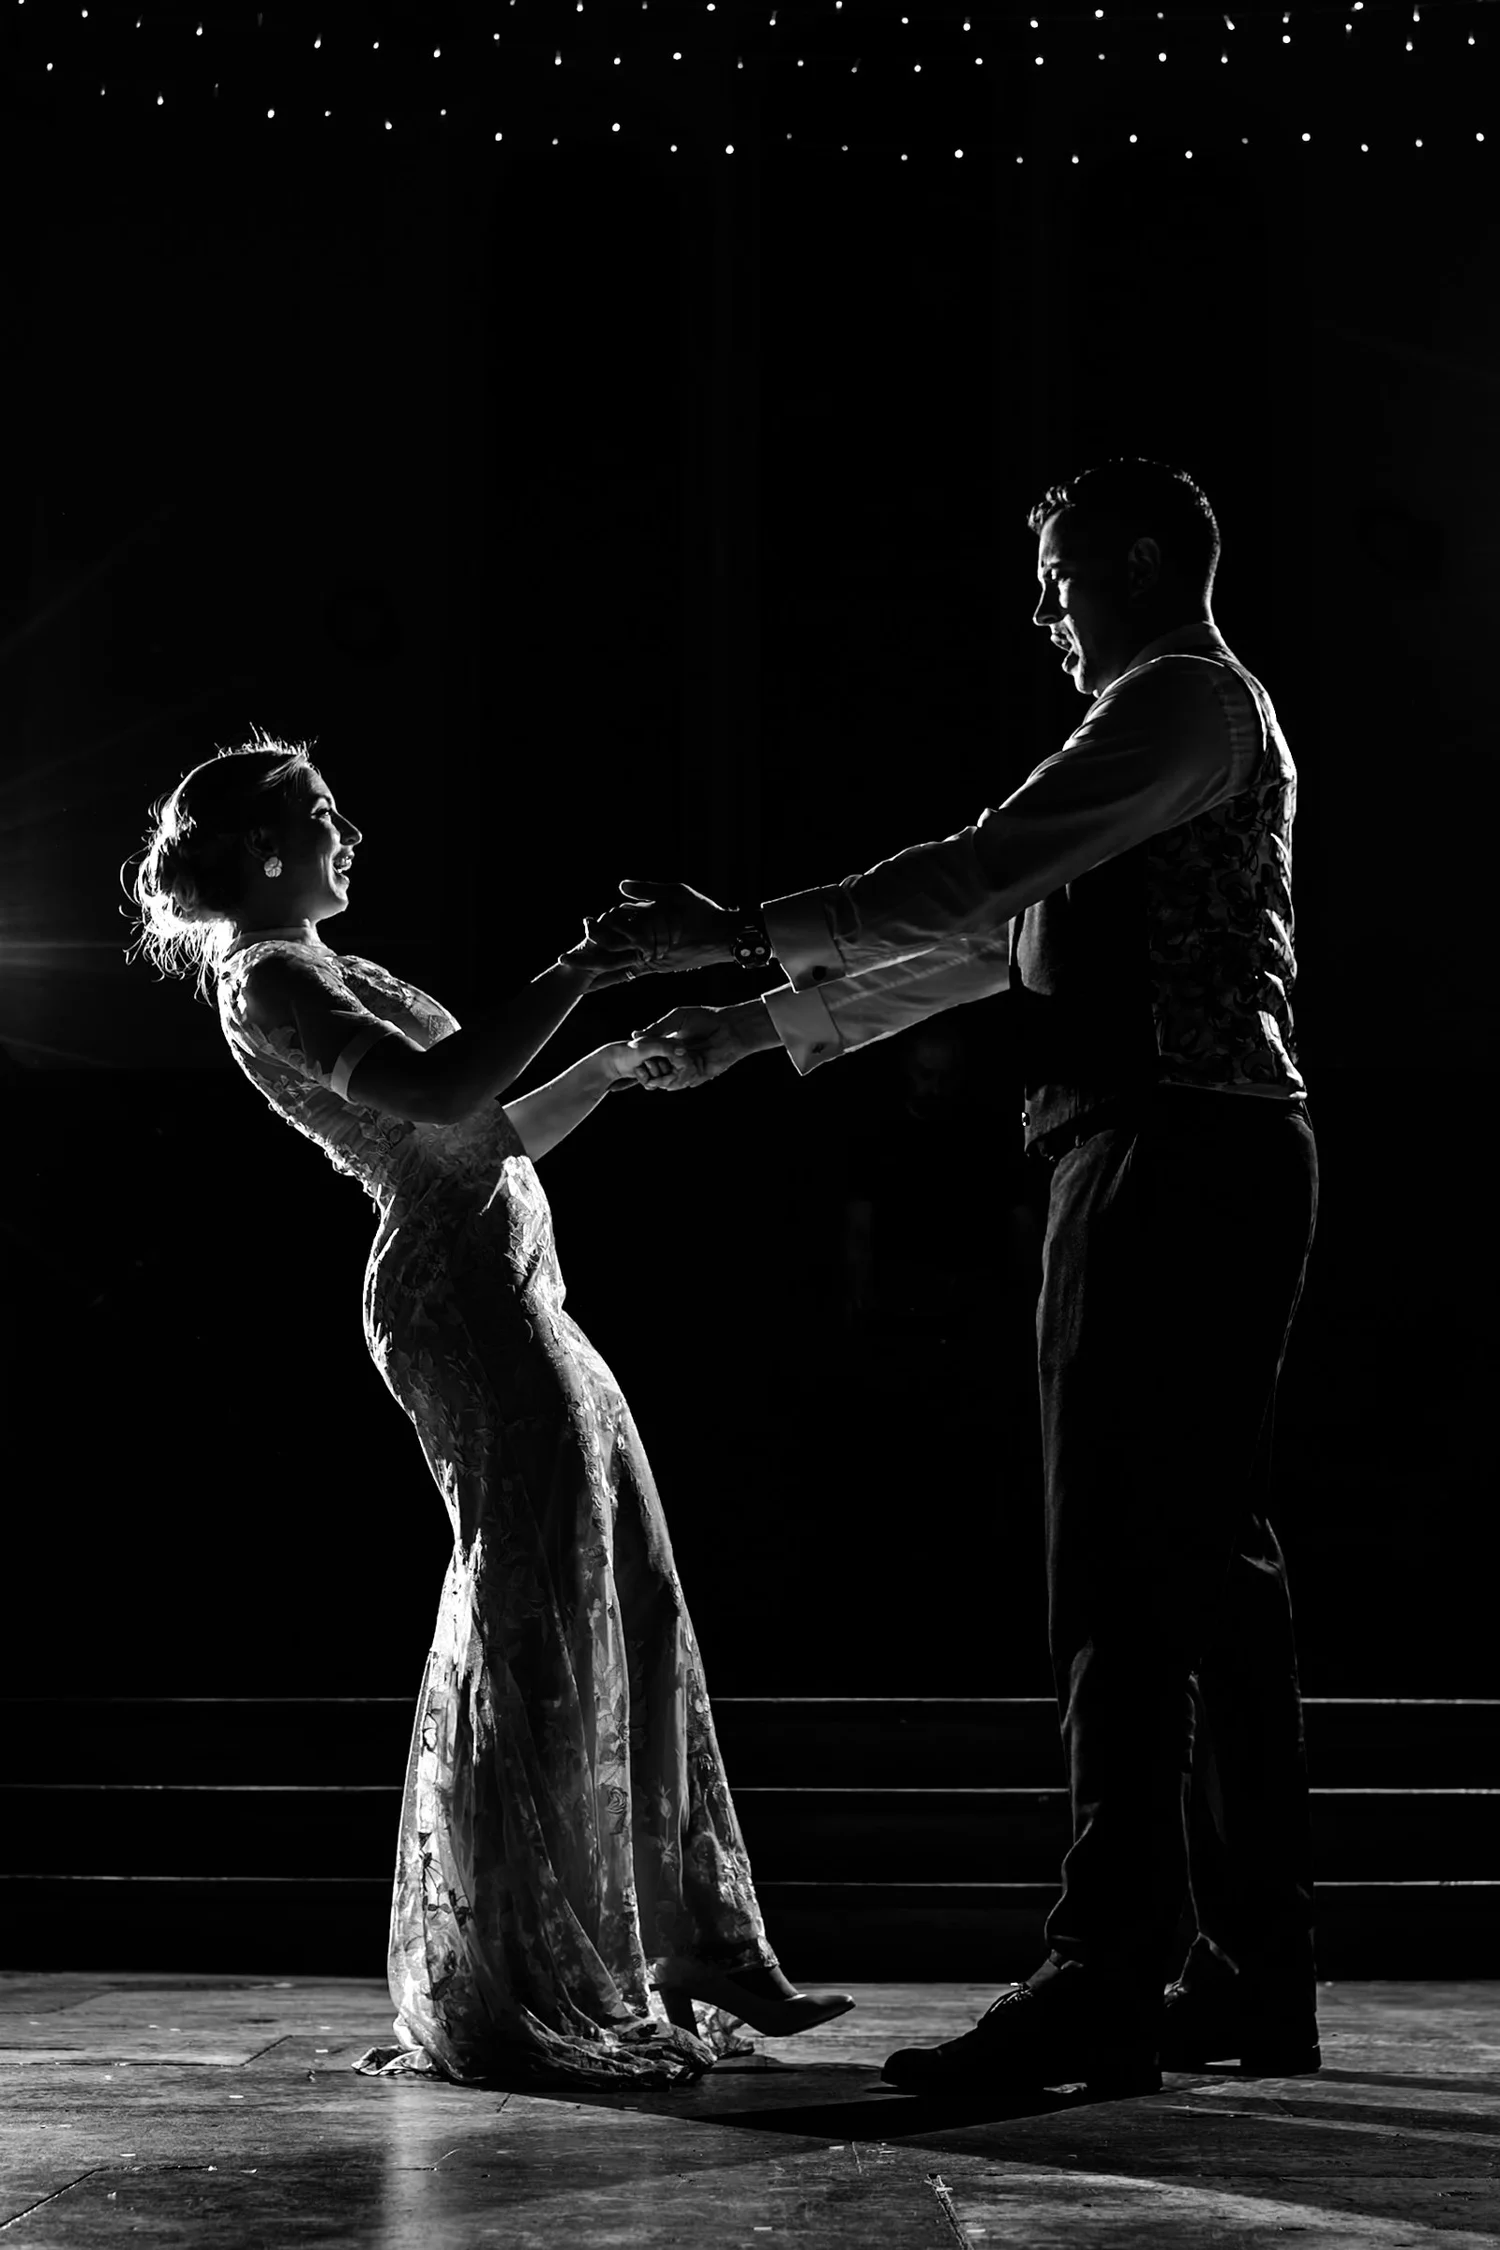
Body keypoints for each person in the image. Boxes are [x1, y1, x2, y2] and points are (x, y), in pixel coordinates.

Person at [608, 459, 1321, 2098]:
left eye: (1065, 570)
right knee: (1206, 1576)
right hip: (1199, 1144)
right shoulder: (1170, 726)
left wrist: (735, 932)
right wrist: (754, 1026)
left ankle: (1105, 1971)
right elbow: (992, 941)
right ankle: (1243, 1966)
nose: (1043, 605)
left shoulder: (1179, 704)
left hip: (1172, 1146)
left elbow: (971, 874)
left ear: (1142, 562)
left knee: (1126, 1575)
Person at [126, 740, 853, 2091]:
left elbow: (495, 1125)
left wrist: (615, 1064)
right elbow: (438, 1098)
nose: (348, 827)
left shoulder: (318, 962)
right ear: (265, 849)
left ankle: (678, 1941)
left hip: (512, 1280)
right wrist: (574, 976)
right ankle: (536, 1966)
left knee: (609, 1576)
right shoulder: (273, 974)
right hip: (463, 1302)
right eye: (317, 812)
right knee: (539, 1608)